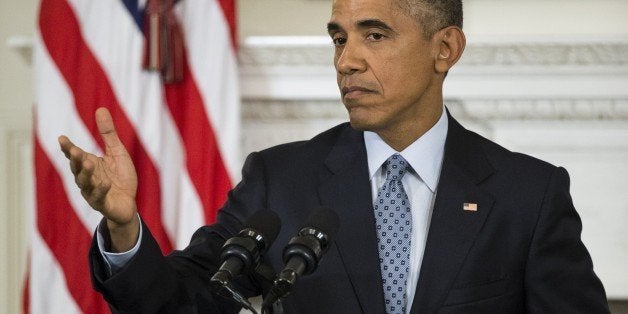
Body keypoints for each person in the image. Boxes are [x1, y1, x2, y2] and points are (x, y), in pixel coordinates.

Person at [59, 0, 609, 313]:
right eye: (338, 39)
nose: (347, 61)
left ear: (445, 49)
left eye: (375, 35)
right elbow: (184, 302)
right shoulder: (281, 180)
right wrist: (125, 229)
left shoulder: (527, 195)